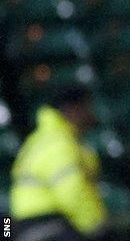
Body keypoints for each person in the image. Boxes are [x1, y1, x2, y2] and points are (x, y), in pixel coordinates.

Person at [9, 85, 107, 241]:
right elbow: (72, 191)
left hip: (25, 225)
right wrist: (96, 227)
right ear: (74, 109)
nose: (91, 113)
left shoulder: (40, 139)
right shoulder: (59, 143)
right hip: (46, 225)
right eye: (87, 107)